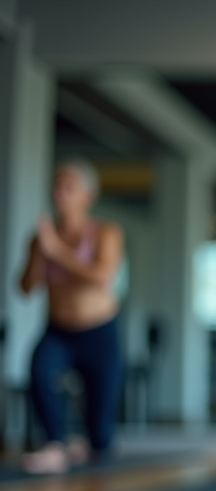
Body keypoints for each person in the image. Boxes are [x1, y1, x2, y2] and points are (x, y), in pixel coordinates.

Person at [19, 159, 125, 474]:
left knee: (100, 436)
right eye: (56, 186)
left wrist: (57, 252)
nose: (59, 193)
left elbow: (102, 276)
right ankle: (54, 444)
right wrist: (41, 255)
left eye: (68, 187)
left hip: (100, 332)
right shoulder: (42, 239)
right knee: (39, 371)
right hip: (59, 331)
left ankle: (91, 442)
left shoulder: (106, 232)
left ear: (87, 196)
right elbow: (25, 287)